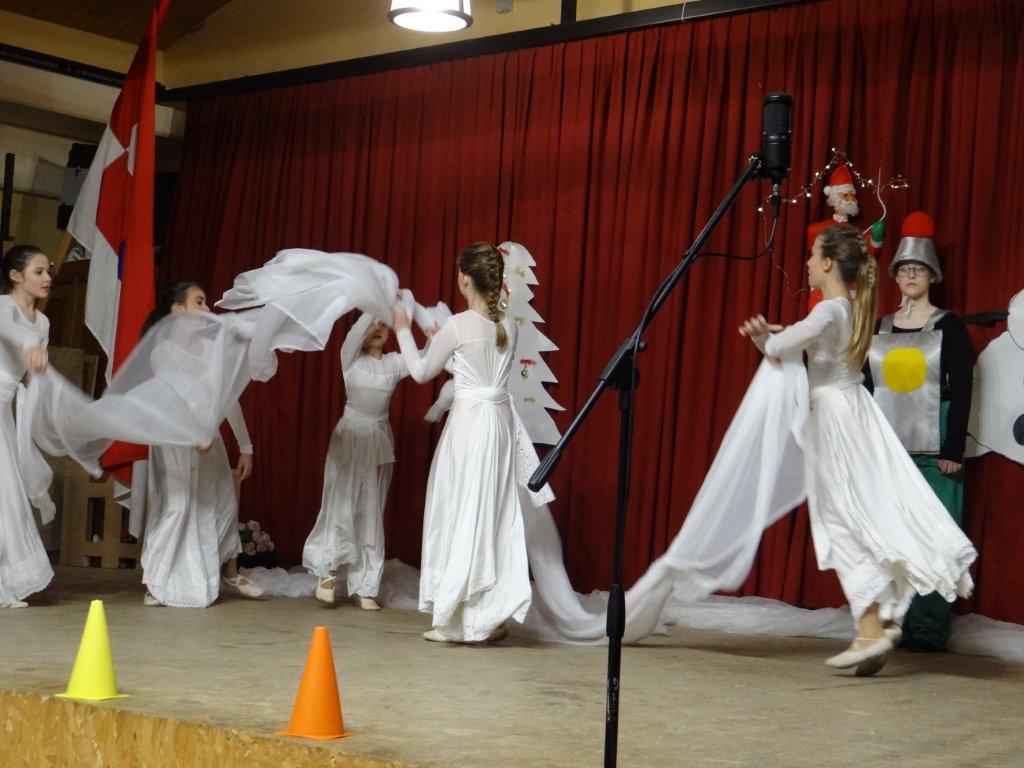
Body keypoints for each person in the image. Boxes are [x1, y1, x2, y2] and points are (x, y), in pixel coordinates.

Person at [739, 225, 975, 674]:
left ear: (828, 263)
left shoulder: (829, 310)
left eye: (811, 256)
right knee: (851, 515)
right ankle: (877, 620)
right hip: (849, 412)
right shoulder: (846, 308)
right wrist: (771, 342)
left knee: (841, 518)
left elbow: (781, 345)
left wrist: (761, 337)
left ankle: (872, 624)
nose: (807, 263)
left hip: (837, 419)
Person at [392, 242, 544, 643]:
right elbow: (473, 366)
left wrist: (404, 331)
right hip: (496, 426)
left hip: (469, 427)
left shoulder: (459, 325)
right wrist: (437, 338)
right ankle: (485, 612)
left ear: (463, 278)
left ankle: (462, 616)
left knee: (461, 507)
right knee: (491, 511)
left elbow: (422, 371)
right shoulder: (506, 325)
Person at [864, 212, 974, 651]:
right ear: (895, 276)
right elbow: (865, 387)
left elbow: (964, 389)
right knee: (893, 536)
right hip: (887, 447)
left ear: (932, 276)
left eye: (919, 270)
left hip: (935, 443)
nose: (911, 276)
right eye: (905, 269)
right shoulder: (880, 327)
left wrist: (953, 448)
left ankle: (928, 629)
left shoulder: (950, 327)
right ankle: (896, 622)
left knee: (934, 532)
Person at [138, 281, 262, 607]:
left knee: (220, 501)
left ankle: (221, 571)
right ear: (178, 309)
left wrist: (245, 446)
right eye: (199, 302)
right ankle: (157, 579)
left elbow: (227, 398)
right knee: (178, 505)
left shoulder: (211, 350)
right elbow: (176, 398)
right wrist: (196, 433)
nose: (207, 309)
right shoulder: (163, 351)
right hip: (177, 436)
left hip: (207, 436)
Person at [303, 314, 408, 610]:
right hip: (351, 435)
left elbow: (424, 359)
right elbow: (354, 334)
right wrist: (373, 304)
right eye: (371, 324)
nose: (377, 329)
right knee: (341, 502)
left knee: (371, 510)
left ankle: (365, 586)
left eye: (382, 325)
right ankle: (328, 573)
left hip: (378, 439)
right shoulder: (349, 357)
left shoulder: (394, 363)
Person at [0, 245, 54, 607]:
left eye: (49, 271)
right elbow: (8, 330)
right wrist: (28, 344)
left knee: (8, 488)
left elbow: (35, 375)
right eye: (38, 271)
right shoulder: (3, 306)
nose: (48, 277)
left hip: (5, 406)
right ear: (15, 276)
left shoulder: (44, 322)